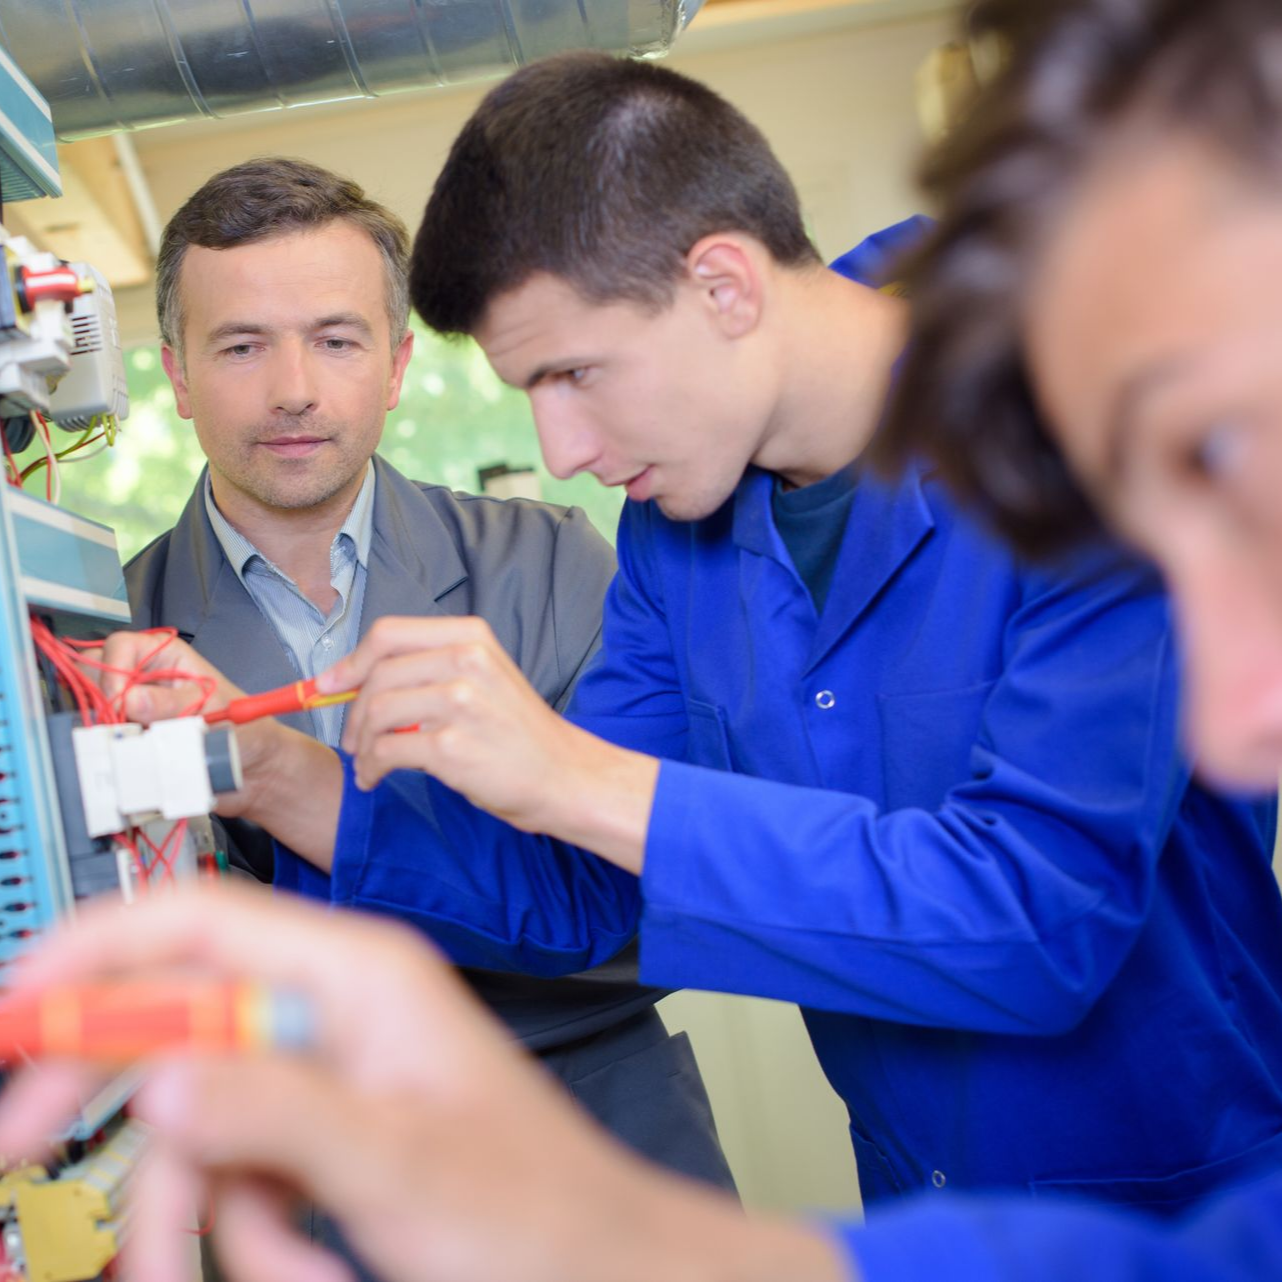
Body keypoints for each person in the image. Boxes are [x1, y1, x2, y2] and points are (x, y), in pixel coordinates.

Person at [7, 3, 1282, 1279]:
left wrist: (571, 772)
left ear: (722, 284)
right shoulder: (677, 530)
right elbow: (579, 888)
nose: (560, 451)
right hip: (911, 1199)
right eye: (530, 394)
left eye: (575, 375)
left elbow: (1034, 920)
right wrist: (286, 774)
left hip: (1184, 1200)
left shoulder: (1086, 414)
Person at [125, 157, 734, 1211]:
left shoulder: (554, 562)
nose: (294, 389)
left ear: (397, 364)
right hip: (302, 1190)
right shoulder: (110, 637)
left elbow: (654, 915)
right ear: (175, 375)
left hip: (599, 1147)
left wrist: (301, 805)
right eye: (240, 345)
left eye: (336, 337)